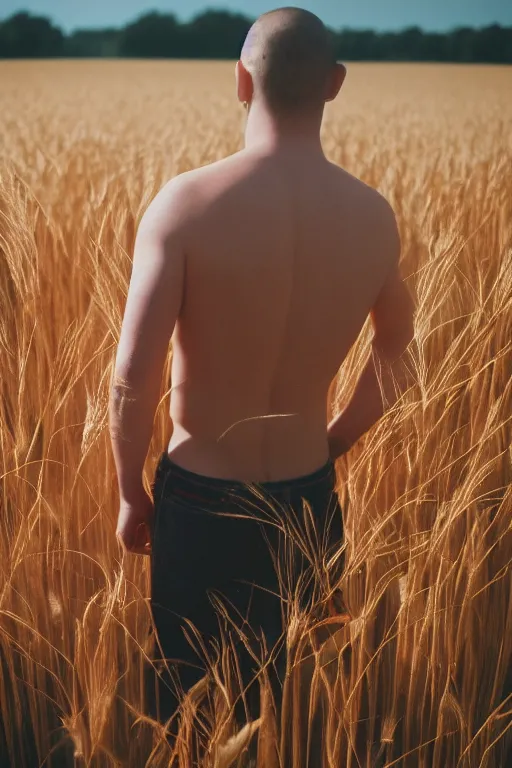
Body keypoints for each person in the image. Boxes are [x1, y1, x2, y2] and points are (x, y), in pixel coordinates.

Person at [109, 5, 415, 745]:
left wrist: (128, 492)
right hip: (308, 502)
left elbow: (131, 379)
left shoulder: (186, 203)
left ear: (240, 79)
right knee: (291, 710)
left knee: (190, 712)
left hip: (201, 504)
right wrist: (332, 443)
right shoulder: (374, 217)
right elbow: (400, 361)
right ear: (335, 85)